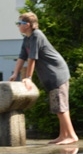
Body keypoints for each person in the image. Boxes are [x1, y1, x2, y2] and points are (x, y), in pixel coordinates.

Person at [10, 12, 78, 145]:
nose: (18, 26)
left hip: (57, 73)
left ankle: (71, 136)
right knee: (58, 107)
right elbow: (22, 57)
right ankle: (63, 135)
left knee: (61, 107)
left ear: (27, 25)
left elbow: (32, 58)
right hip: (50, 76)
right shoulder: (27, 39)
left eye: (19, 23)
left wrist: (28, 77)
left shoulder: (36, 35)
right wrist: (15, 74)